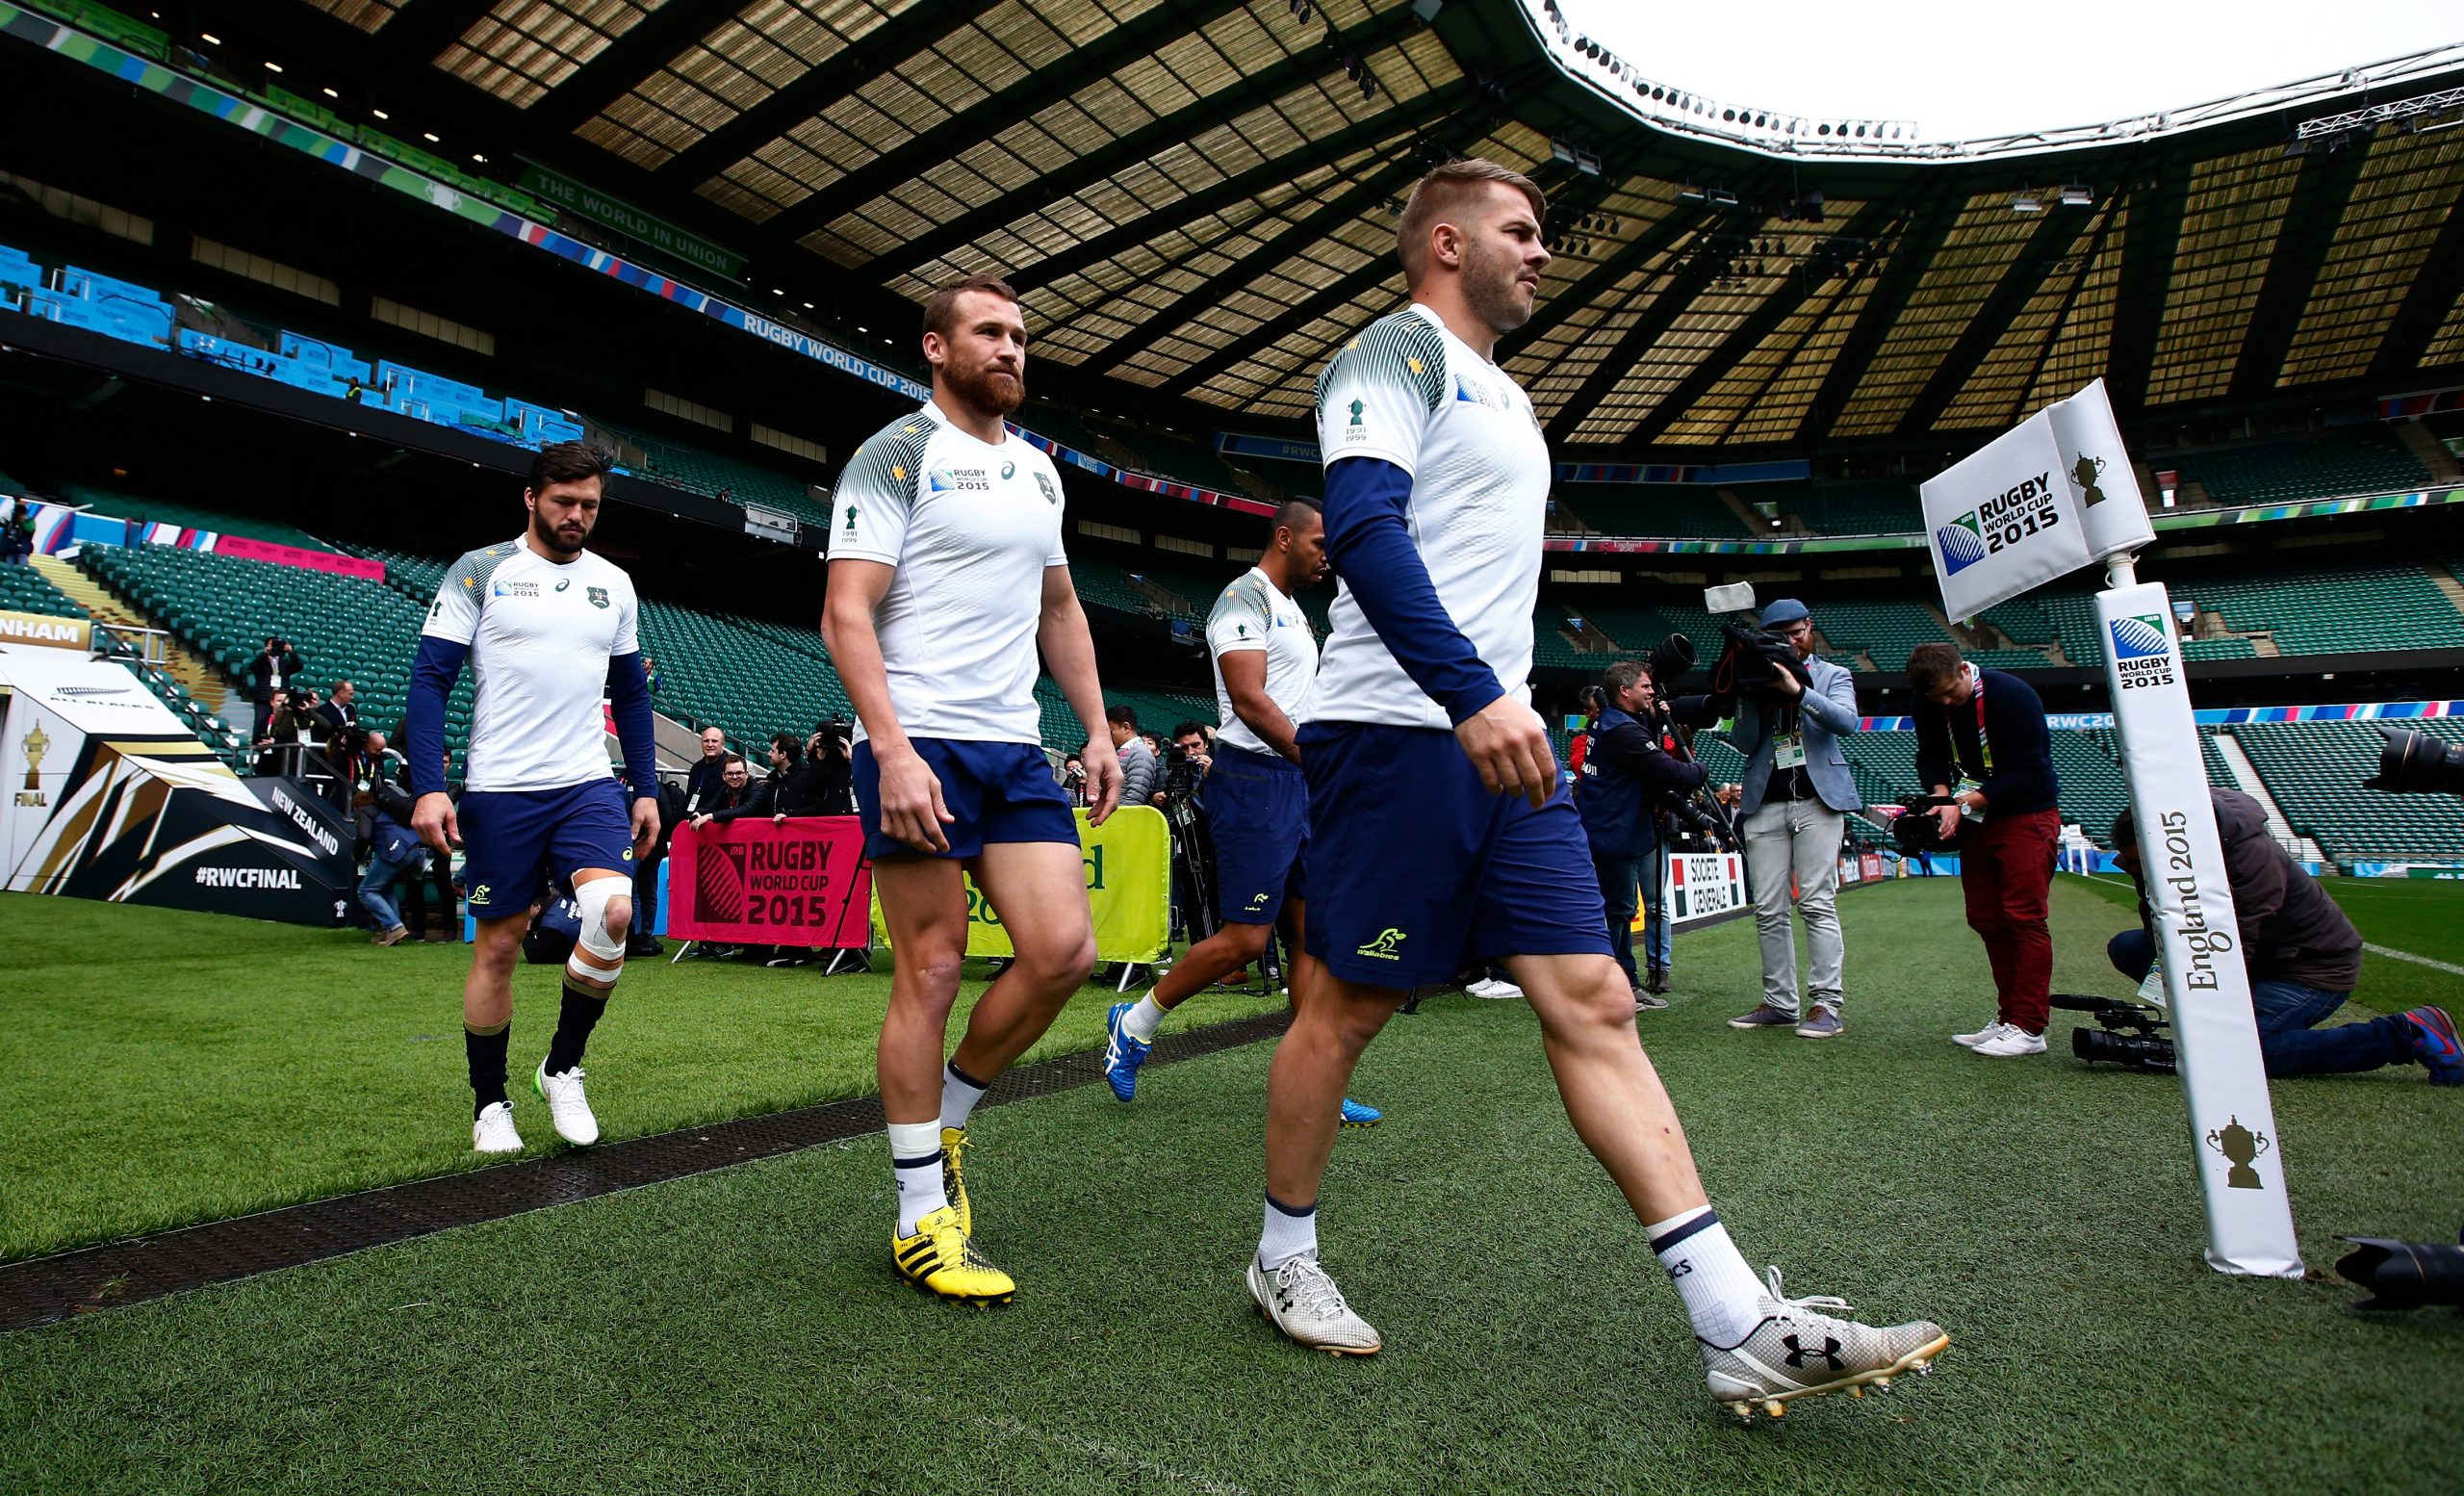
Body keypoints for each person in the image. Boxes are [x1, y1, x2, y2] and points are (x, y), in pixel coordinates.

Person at [1243, 159, 1944, 1412]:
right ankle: (1281, 1256)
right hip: (1400, 734)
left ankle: (1737, 1319)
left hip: (1498, 749)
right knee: (1346, 1010)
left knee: (1597, 996)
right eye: (1521, 230)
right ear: (1444, 242)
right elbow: (1361, 530)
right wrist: (1471, 691)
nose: (1545, 250)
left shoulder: (1510, 399)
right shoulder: (1392, 356)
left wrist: (1490, 697)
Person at [821, 271, 1123, 1307]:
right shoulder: (895, 454)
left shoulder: (1040, 474)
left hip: (1012, 745)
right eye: (989, 333)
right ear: (936, 349)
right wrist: (892, 749)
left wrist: (1091, 727)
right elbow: (846, 614)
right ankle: (919, 1214)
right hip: (922, 744)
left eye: (1021, 337)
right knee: (934, 969)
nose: (1011, 350)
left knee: (1063, 953)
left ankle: (945, 1119)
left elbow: (1061, 609)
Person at [407, 442, 661, 1155]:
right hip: (500, 790)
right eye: (564, 502)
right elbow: (430, 683)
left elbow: (632, 695)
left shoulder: (614, 583)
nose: (578, 516)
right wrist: (429, 786)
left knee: (615, 909)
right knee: (498, 949)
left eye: (589, 505)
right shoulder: (480, 571)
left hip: (586, 783)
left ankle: (563, 1066)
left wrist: (645, 788)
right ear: (531, 498)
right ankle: (490, 1103)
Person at [1101, 502, 1379, 1125]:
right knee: (1246, 939)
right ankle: (1135, 1022)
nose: (1325, 554)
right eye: (1317, 542)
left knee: (1312, 934)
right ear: (1284, 537)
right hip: (1255, 781)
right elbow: (1251, 700)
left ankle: (1315, 1084)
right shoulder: (1242, 599)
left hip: (1299, 783)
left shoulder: (1293, 612)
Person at [2104, 793, 2460, 1083]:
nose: (2134, 865)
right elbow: (2163, 927)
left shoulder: (2251, 857)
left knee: (2234, 1056)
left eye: (2139, 860)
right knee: (2128, 947)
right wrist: (2143, 877)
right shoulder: (2167, 855)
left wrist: (2211, 1021)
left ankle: (2407, 1033)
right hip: (2265, 957)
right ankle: (2217, 1029)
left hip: (2311, 968)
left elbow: (2235, 942)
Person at [1693, 599, 1861, 1040]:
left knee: (1817, 902)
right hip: (1764, 800)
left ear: (1810, 627)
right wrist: (1752, 697)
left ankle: (1826, 1003)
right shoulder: (1755, 674)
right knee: (1768, 908)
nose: (1790, 641)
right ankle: (1780, 1003)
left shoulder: (1833, 674)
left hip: (1818, 800)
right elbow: (1746, 742)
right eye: (1779, 635)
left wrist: (1798, 692)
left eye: (1796, 632)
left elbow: (1847, 723)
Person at [1909, 642, 2061, 1058]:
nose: (1944, 702)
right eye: (1934, 698)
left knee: (2025, 918)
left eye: (1948, 693)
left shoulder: (2012, 695)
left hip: (2026, 814)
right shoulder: (1928, 700)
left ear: (1963, 670)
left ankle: (2030, 1026)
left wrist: (1963, 803)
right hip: (1978, 817)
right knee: (1987, 917)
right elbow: (1932, 756)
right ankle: (2010, 1017)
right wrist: (1941, 797)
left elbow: (2029, 772)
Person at [1579, 661, 1707, 1012]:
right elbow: (1669, 771)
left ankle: (1626, 983)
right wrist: (1700, 770)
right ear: (1625, 691)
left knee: (1619, 910)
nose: (1652, 692)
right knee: (1617, 911)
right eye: (1646, 686)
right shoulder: (1621, 730)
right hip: (1614, 832)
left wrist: (1654, 716)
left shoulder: (1612, 722)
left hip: (1612, 827)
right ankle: (1614, 985)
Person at [1109, 704, 1158, 808]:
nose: (1108, 735)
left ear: (1126, 727)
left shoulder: (1141, 754)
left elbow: (1135, 799)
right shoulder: (1122, 751)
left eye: (1111, 731)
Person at [244, 635, 303, 716]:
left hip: (282, 698)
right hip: (264, 698)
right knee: (261, 724)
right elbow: (253, 667)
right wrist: (265, 653)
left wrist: (291, 652)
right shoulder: (262, 661)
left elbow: (298, 666)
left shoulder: (285, 662)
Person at [682, 726, 730, 816]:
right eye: (706, 741)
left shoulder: (730, 768)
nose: (710, 744)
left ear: (723, 744)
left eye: (714, 741)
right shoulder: (696, 767)